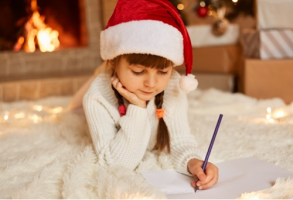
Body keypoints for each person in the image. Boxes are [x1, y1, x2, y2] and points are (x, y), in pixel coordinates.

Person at [74, 0, 219, 190]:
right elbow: (117, 164)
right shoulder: (97, 97)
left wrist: (193, 162)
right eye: (137, 71)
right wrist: (137, 107)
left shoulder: (172, 86)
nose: (151, 84)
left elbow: (180, 140)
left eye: (163, 72)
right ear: (112, 63)